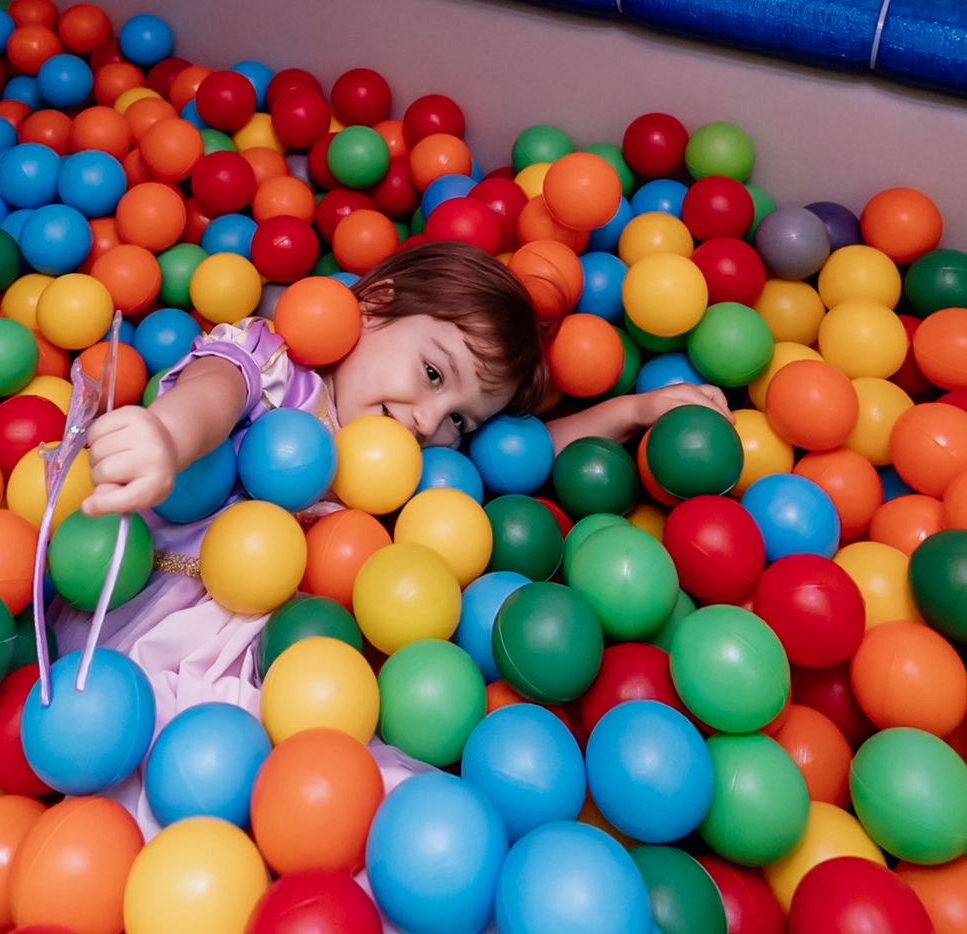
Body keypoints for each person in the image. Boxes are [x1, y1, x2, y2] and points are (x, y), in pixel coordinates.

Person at [50, 240, 730, 832]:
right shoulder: (280, 370)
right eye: (433, 374)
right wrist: (165, 437)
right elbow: (215, 389)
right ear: (374, 306)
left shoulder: (414, 472)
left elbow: (523, 459)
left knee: (360, 797)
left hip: (289, 663)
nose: (430, 420)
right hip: (160, 609)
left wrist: (630, 411)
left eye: (460, 420)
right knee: (170, 769)